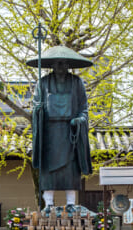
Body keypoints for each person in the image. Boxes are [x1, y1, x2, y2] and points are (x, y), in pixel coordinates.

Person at [26, 46, 93, 212]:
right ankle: (48, 203)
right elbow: (35, 105)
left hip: (70, 133)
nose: (61, 67)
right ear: (52, 65)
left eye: (64, 63)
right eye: (57, 63)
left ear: (69, 65)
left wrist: (80, 119)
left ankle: (71, 203)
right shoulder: (43, 83)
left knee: (71, 169)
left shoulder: (77, 83)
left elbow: (84, 108)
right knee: (48, 169)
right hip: (50, 134)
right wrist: (38, 109)